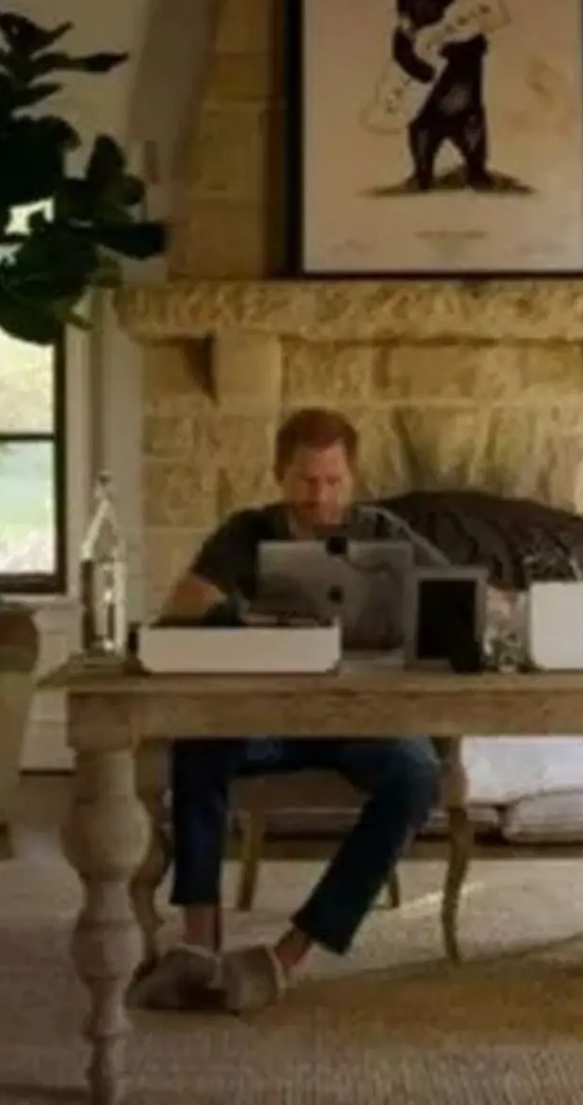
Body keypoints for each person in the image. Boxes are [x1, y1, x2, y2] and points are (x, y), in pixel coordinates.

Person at [129, 407, 468, 1016]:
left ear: (353, 478)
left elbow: (458, 598)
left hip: (362, 723)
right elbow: (183, 606)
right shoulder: (246, 532)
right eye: (307, 481)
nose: (321, 497)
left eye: (334, 481)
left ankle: (285, 957)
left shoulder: (384, 532)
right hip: (269, 723)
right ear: (279, 475)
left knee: (418, 776)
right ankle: (198, 945)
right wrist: (248, 621)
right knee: (199, 740)